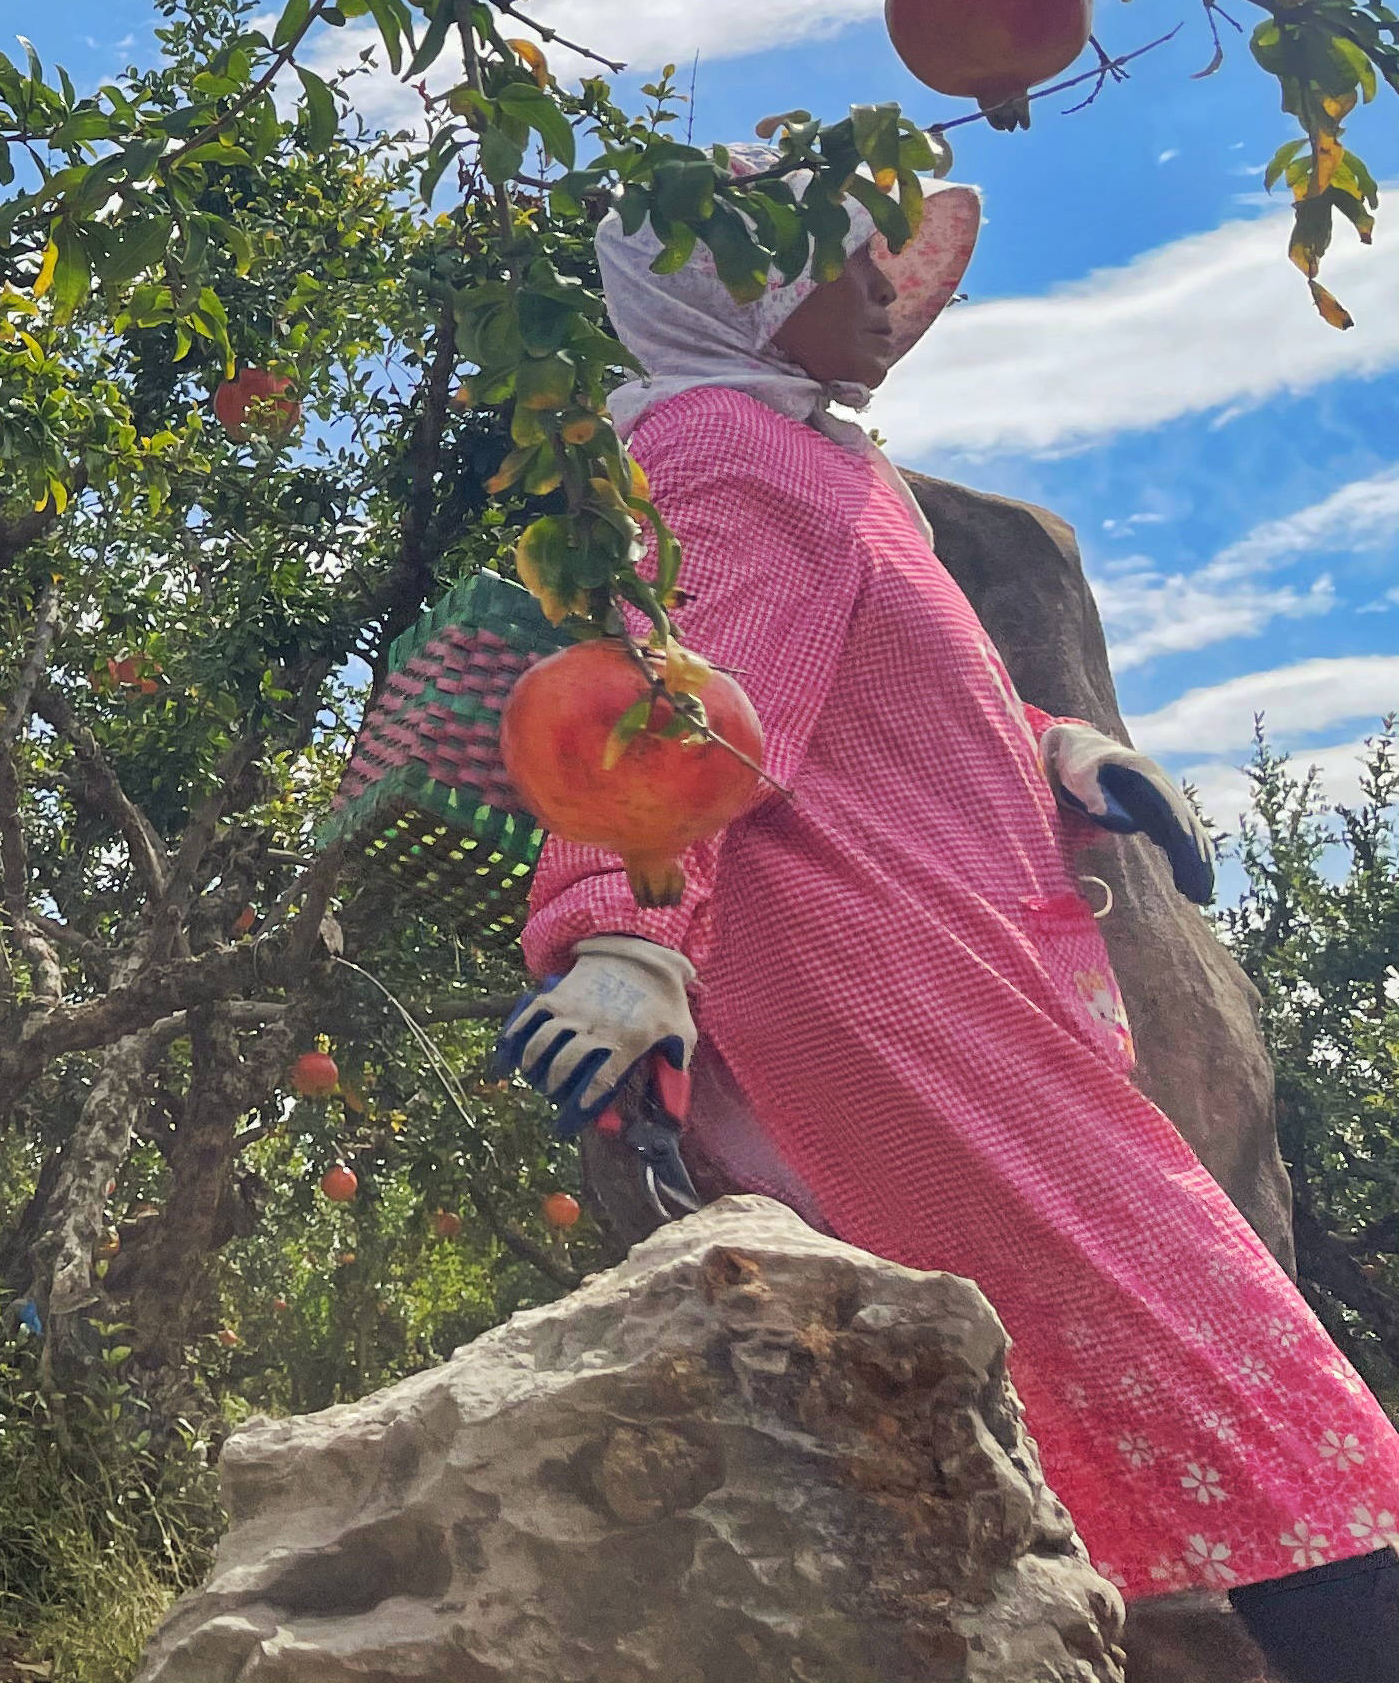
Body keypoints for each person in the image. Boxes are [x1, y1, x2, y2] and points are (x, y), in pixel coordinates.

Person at [502, 164, 1399, 1679]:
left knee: (1157, 1407)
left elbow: (878, 696)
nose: (881, 289)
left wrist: (1060, 749)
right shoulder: (729, 456)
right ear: (740, 292)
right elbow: (683, 708)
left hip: (954, 989)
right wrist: (626, 930)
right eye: (836, 264)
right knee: (1253, 1398)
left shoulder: (817, 460)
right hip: (888, 1011)